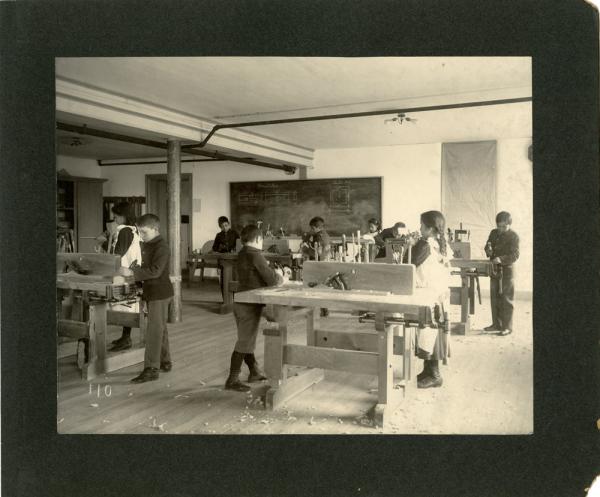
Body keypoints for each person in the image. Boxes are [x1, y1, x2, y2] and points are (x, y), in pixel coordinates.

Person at [225, 224, 285, 392]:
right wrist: (282, 276)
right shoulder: (256, 255)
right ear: (258, 239)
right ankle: (232, 379)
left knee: (247, 339)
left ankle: (254, 371)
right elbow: (271, 280)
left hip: (241, 302)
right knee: (245, 342)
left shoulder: (242, 253)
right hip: (248, 305)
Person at [404, 211, 452, 389]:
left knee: (428, 332)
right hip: (438, 294)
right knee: (433, 332)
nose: (419, 228)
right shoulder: (440, 242)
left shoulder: (425, 244)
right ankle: (428, 371)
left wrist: (410, 245)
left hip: (429, 295)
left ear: (430, 228)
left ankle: (434, 375)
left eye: (422, 225)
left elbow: (408, 264)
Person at [130, 214, 174, 383]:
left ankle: (151, 369)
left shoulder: (161, 247)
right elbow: (148, 268)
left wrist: (132, 273)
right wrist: (137, 268)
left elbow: (155, 271)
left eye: (144, 232)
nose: (141, 236)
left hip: (160, 293)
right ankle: (165, 361)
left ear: (156, 229)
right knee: (160, 327)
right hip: (154, 292)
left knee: (154, 330)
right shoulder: (148, 244)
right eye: (139, 232)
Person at [98, 202, 143, 352]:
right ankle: (125, 337)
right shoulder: (133, 229)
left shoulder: (124, 230)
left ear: (124, 216)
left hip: (124, 273)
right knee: (126, 305)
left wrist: (103, 243)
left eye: (116, 215)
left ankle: (126, 339)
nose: (114, 218)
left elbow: (117, 254)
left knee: (124, 306)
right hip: (130, 272)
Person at [484, 211, 520, 336]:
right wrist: (488, 250)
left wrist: (501, 259)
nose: (500, 229)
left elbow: (515, 255)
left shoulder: (514, 236)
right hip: (495, 270)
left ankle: (507, 327)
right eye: (499, 226)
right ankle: (496, 324)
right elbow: (487, 246)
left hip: (507, 272)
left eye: (504, 227)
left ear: (509, 224)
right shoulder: (493, 233)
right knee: (495, 298)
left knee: (506, 299)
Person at [301, 216, 331, 317]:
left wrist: (305, 248)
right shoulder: (325, 235)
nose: (310, 230)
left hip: (317, 264)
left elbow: (316, 253)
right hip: (324, 264)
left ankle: (312, 311)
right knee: (320, 288)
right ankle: (324, 309)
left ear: (315, 228)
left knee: (311, 287)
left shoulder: (318, 237)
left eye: (311, 228)